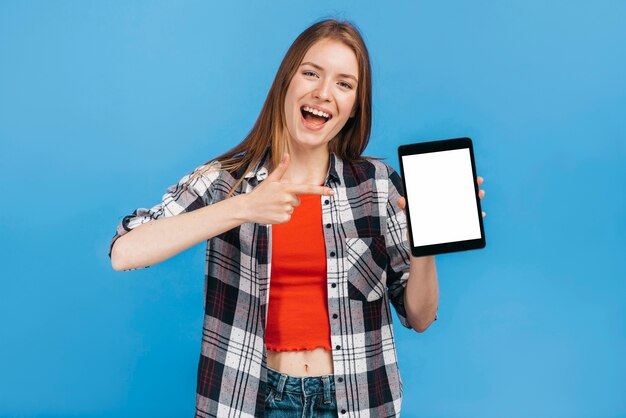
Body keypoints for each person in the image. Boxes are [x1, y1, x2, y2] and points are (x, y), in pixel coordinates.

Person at [109, 19, 486, 418]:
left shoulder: (377, 185)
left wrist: (424, 244)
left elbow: (421, 316)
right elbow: (125, 251)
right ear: (286, 82)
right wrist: (244, 207)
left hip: (356, 401)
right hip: (250, 398)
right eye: (311, 74)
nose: (324, 93)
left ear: (355, 105)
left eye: (344, 83)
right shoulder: (226, 182)